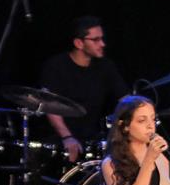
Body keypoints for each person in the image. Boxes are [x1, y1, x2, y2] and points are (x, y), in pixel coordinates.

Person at [38, 15, 130, 163]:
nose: (102, 44)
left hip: (92, 139)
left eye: (102, 38)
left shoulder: (106, 66)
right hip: (60, 139)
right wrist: (67, 137)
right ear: (79, 43)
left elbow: (125, 99)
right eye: (96, 40)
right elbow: (50, 106)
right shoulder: (56, 66)